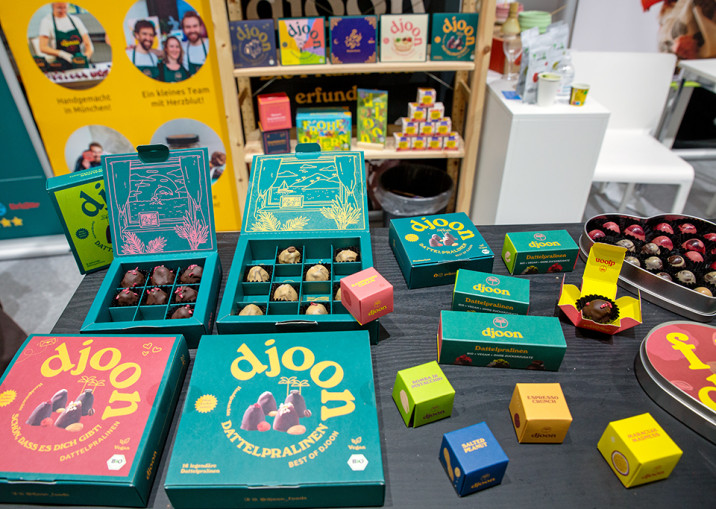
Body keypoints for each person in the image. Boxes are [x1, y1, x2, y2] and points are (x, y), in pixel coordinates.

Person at [37, 2, 93, 71]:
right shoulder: (47, 22)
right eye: (59, 8)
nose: (62, 10)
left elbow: (88, 45)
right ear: (53, 6)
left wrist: (85, 57)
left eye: (65, 8)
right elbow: (43, 47)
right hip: (60, 66)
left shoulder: (75, 20)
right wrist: (62, 54)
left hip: (79, 65)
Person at [180, 11, 209, 76]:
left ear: (200, 27)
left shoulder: (211, 44)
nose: (192, 30)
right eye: (188, 27)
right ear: (183, 30)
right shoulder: (181, 47)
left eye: (195, 26)